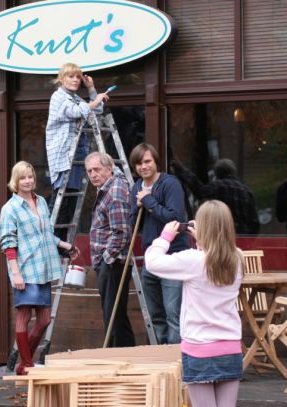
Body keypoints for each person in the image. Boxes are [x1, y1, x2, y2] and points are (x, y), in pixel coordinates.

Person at [145, 200, 243, 407]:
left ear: (203, 228)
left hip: (199, 348)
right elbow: (216, 257)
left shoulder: (193, 260)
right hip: (230, 347)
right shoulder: (238, 258)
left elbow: (152, 262)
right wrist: (203, 241)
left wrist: (165, 237)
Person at [0, 161, 79, 375]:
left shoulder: (41, 201)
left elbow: (46, 235)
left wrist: (66, 246)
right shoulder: (10, 208)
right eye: (23, 178)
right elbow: (8, 243)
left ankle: (24, 363)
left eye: (30, 176)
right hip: (24, 270)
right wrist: (15, 273)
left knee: (44, 320)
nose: (27, 181)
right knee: (24, 316)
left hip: (43, 269)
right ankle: (27, 364)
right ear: (15, 181)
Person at [130, 143, 189, 345]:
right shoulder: (137, 187)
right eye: (139, 163)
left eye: (147, 161)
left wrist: (149, 201)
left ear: (156, 161)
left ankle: (176, 358)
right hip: (151, 258)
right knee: (155, 315)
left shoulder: (170, 184)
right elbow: (133, 225)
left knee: (173, 314)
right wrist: (137, 207)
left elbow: (175, 219)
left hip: (173, 256)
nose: (143, 167)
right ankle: (161, 356)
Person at [46, 62, 109, 249]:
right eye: (70, 76)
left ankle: (62, 245)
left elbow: (96, 110)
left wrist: (91, 89)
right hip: (63, 154)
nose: (75, 80)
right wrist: (96, 100)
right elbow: (76, 112)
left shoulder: (75, 98)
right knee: (61, 200)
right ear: (61, 78)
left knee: (71, 200)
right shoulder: (58, 97)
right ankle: (53, 243)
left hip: (77, 153)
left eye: (77, 77)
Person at [85, 152, 135, 347]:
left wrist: (106, 259)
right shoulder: (110, 185)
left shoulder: (115, 192)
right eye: (89, 171)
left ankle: (114, 356)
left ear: (109, 168)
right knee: (117, 316)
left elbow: (121, 232)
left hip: (113, 263)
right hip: (111, 262)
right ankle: (126, 355)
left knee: (113, 316)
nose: (93, 174)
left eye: (97, 169)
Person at [173, 158, 260, 235]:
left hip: (223, 236)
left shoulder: (217, 187)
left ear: (217, 173)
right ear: (234, 172)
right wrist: (249, 240)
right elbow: (255, 223)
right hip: (243, 238)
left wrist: (181, 170)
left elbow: (199, 190)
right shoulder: (247, 192)